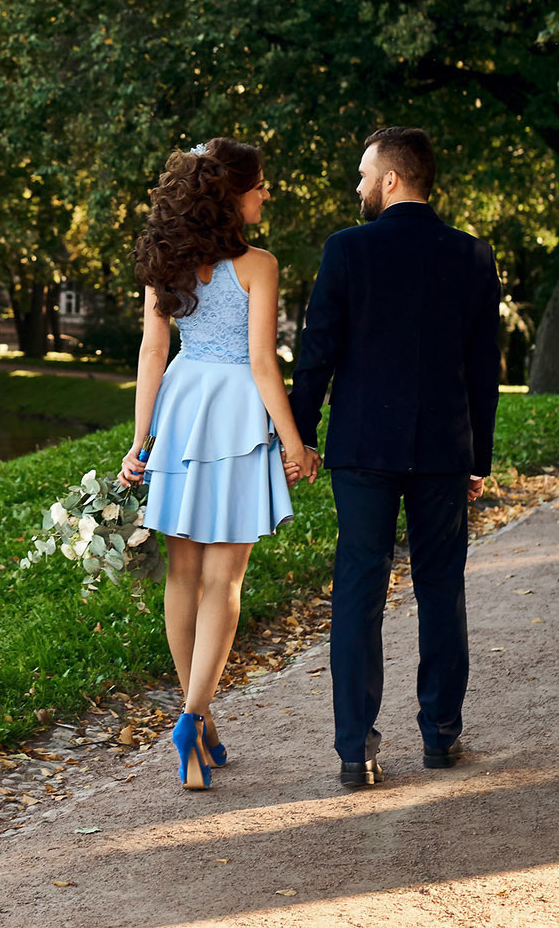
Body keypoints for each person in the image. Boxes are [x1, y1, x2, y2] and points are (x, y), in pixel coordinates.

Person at [287, 126, 501, 788]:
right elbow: (483, 369)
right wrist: (480, 456)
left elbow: (316, 350)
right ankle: (441, 736)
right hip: (441, 448)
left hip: (361, 449)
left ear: (391, 180)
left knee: (359, 589)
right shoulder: (471, 255)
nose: (357, 187)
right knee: (442, 588)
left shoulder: (347, 250)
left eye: (362, 174)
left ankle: (357, 751)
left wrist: (302, 435)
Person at [120, 137, 319, 791]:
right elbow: (264, 365)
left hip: (181, 405)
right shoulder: (259, 265)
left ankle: (195, 723)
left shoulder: (166, 260)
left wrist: (141, 441)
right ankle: (193, 714)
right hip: (235, 410)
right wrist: (293, 441)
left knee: (183, 573)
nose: (266, 193)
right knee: (224, 579)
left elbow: (152, 353)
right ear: (233, 193)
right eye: (260, 184)